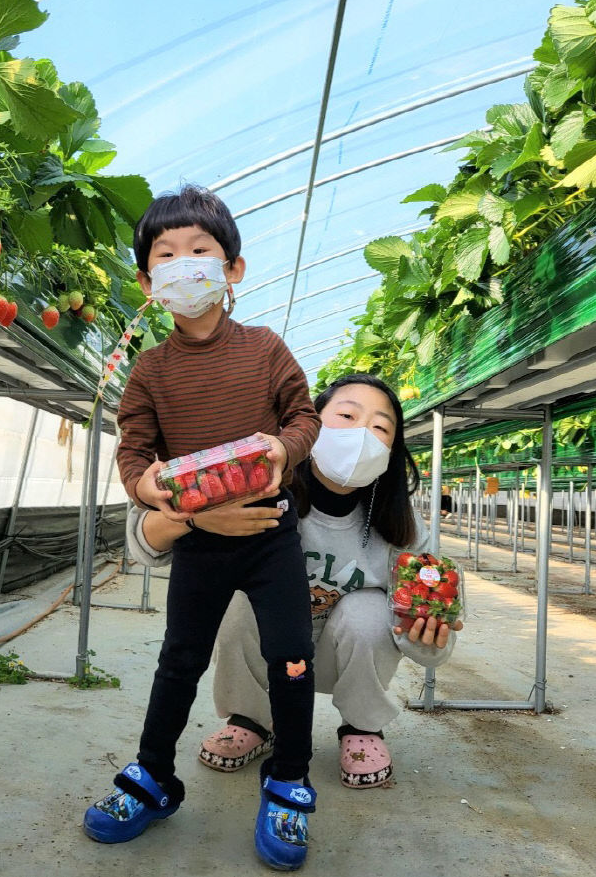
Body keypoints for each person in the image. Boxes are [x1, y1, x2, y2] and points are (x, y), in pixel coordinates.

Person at [83, 185, 321, 871]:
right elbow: (133, 451)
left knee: (291, 653)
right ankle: (153, 775)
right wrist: (154, 489)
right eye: (167, 256)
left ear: (233, 268)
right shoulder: (150, 371)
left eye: (201, 252)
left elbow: (302, 416)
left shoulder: (266, 349)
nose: (185, 266)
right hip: (200, 539)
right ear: (147, 281)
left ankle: (289, 778)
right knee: (179, 658)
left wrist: (282, 449)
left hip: (271, 532)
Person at [125, 373, 463, 792]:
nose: (362, 435)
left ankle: (362, 727)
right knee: (240, 596)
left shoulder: (403, 530)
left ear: (392, 451)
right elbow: (145, 546)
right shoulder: (260, 489)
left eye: (380, 428)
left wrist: (427, 638)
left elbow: (434, 641)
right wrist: (195, 517)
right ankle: (252, 717)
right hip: (271, 652)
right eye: (346, 415)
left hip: (341, 658)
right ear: (307, 427)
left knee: (368, 612)